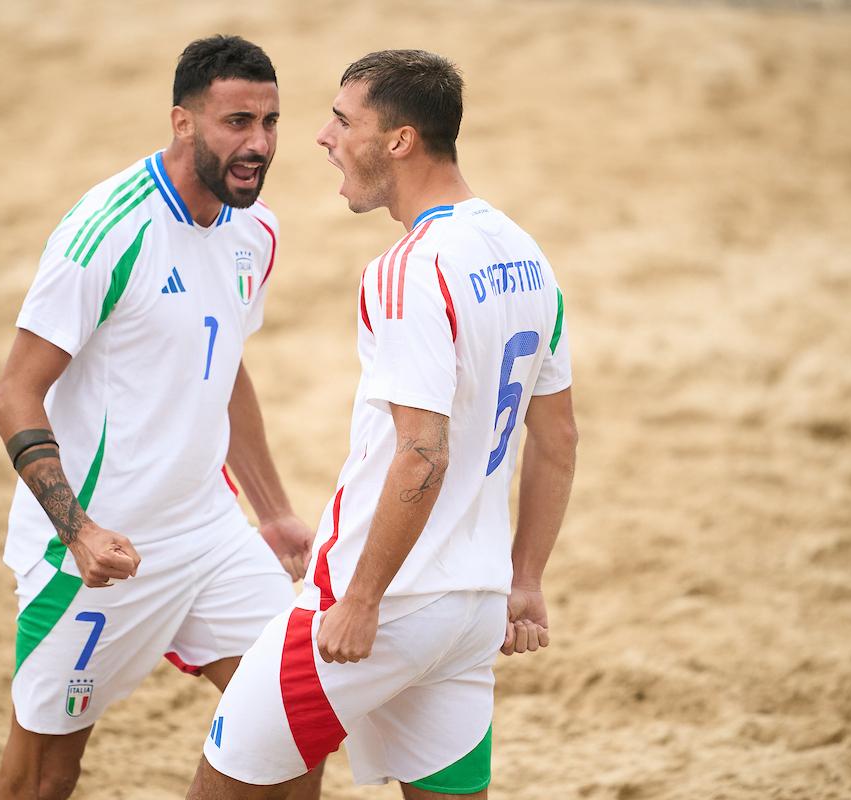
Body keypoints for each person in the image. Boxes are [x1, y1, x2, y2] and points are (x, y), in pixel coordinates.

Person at [186, 49, 578, 800]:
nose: (323, 138)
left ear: (399, 141)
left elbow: (421, 453)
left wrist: (360, 599)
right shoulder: (527, 255)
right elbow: (558, 439)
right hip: (471, 612)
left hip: (382, 603)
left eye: (342, 121)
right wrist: (526, 579)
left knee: (224, 788)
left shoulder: (409, 266)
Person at [0, 35, 321, 800]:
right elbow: (14, 394)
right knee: (43, 778)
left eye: (270, 122)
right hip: (96, 553)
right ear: (182, 122)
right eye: (237, 121)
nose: (259, 144)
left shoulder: (256, 230)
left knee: (292, 724)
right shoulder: (106, 230)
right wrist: (79, 531)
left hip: (208, 534)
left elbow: (223, 366)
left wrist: (271, 515)